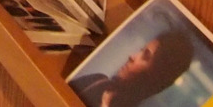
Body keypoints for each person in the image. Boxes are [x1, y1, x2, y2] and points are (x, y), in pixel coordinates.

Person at [70, 27, 198, 106]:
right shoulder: (99, 80)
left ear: (154, 76)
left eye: (145, 57)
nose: (132, 56)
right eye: (141, 51)